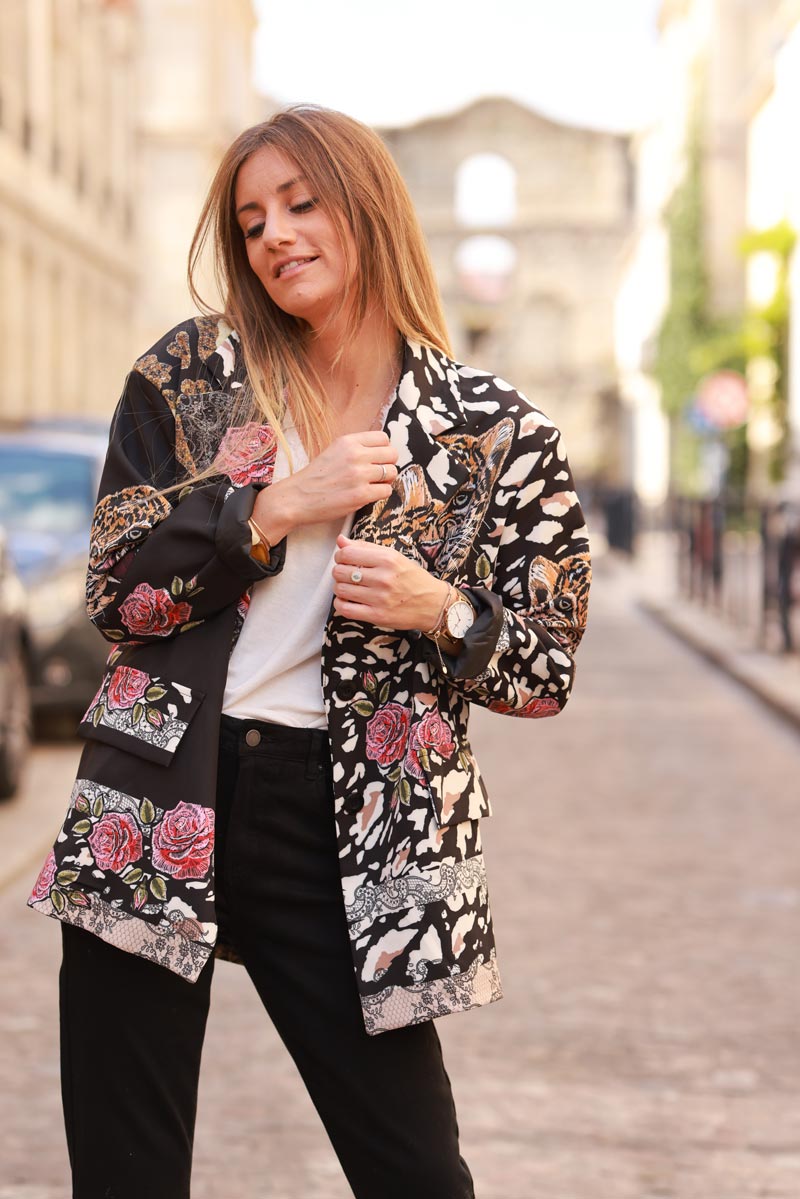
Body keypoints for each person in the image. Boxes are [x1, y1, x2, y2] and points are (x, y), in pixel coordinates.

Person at [27, 105, 591, 1199]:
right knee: (125, 1166)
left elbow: (546, 664)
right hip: (155, 789)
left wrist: (441, 607)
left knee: (414, 1169)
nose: (275, 234)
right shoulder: (190, 375)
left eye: (301, 202)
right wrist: (272, 507)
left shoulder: (492, 429)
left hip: (346, 817)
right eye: (249, 220)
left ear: (365, 205)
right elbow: (115, 590)